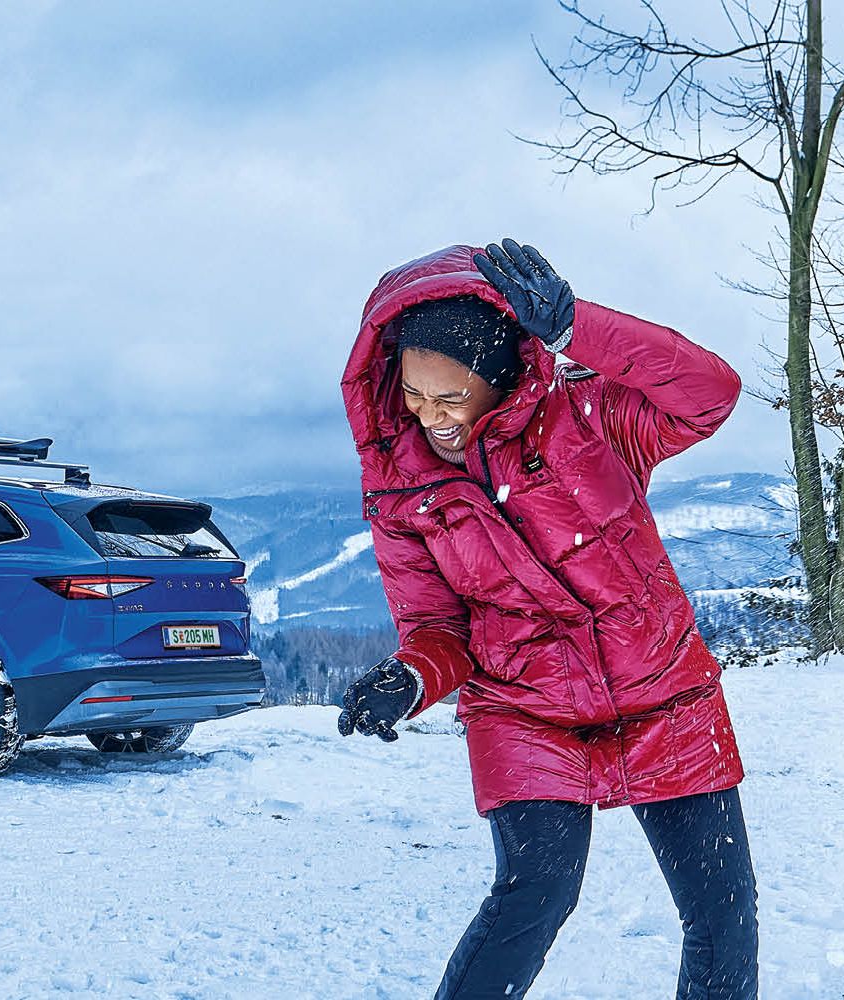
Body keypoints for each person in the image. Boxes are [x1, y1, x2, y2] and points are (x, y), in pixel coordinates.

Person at [336, 239, 758, 1000]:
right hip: (524, 705)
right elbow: (438, 626)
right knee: (535, 893)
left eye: (449, 397)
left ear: (498, 377)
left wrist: (576, 327)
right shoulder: (398, 485)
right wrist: (411, 677)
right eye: (414, 395)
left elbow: (710, 393)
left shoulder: (591, 419)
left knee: (721, 910)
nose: (430, 417)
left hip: (665, 691)